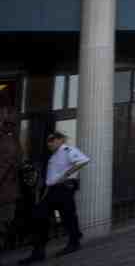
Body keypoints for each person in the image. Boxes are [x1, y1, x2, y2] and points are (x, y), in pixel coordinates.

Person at [18, 132, 89, 264]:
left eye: (52, 139)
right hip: (52, 189)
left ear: (61, 140)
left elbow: (84, 160)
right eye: (48, 140)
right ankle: (39, 251)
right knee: (43, 216)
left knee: (66, 215)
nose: (49, 143)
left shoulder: (67, 150)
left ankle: (73, 242)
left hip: (63, 187)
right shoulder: (54, 155)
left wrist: (67, 174)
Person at [0, 112, 19, 264]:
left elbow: (5, 166)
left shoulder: (8, 142)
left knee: (4, 222)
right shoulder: (11, 141)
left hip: (5, 192)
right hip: (7, 192)